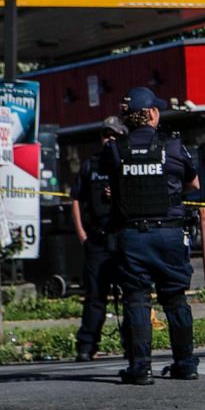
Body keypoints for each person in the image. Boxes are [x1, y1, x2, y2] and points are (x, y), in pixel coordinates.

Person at [100, 86, 201, 385]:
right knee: (175, 300)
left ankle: (141, 367)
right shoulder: (172, 145)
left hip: (133, 236)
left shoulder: (115, 149)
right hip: (169, 234)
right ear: (153, 114)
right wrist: (168, 194)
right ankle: (185, 363)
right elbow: (193, 184)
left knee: (137, 300)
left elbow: (111, 186)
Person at [72, 115, 127, 362]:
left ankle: (133, 343)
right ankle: (87, 345)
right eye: (106, 134)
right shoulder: (91, 165)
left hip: (123, 238)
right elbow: (76, 198)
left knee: (131, 296)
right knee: (95, 296)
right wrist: (81, 234)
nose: (109, 139)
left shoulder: (127, 163)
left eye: (114, 135)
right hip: (97, 240)